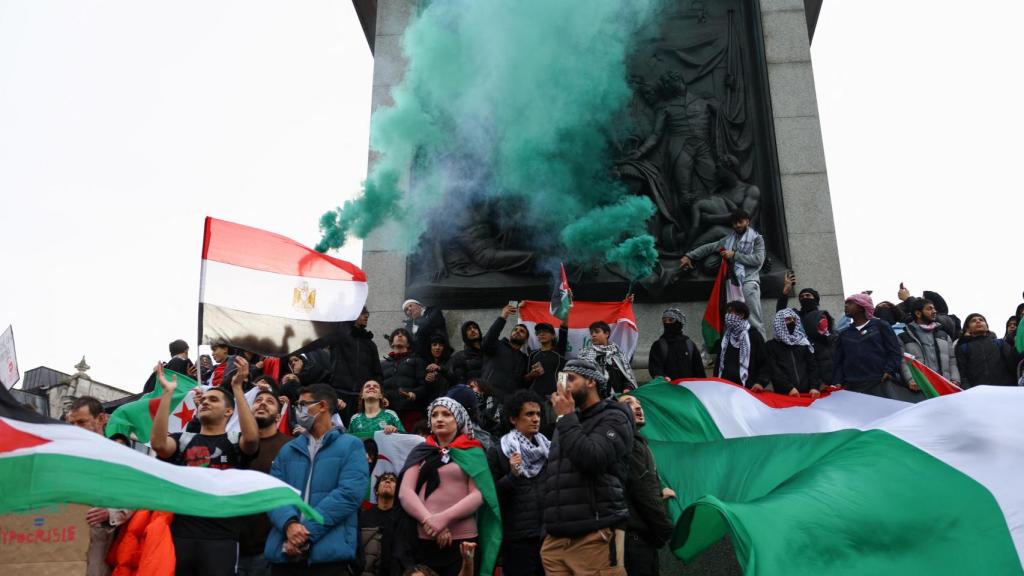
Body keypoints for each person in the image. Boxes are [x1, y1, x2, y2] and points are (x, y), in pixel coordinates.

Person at [150, 358, 260, 576]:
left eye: (214, 400)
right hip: (181, 534)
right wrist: (167, 394)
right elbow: (159, 444)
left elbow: (252, 439)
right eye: (203, 400)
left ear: (229, 412)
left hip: (222, 538)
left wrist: (237, 387)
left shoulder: (233, 440)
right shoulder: (183, 439)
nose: (205, 402)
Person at [541, 359, 633, 575]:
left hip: (593, 535)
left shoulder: (614, 417)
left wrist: (567, 417)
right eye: (562, 380)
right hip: (555, 540)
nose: (565, 386)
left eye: (571, 379)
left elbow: (592, 458)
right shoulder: (566, 422)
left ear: (591, 381)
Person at [266, 384, 369, 575]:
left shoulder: (351, 445)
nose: (298, 411)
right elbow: (274, 494)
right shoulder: (288, 449)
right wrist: (289, 524)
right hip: (284, 556)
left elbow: (349, 494)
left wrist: (304, 532)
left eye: (303, 405)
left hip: (329, 559)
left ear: (322, 406)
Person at [398, 398, 485, 576]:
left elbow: (478, 494)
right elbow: (405, 493)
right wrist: (430, 520)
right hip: (424, 539)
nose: (439, 419)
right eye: (435, 415)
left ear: (458, 419)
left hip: (463, 540)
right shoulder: (420, 451)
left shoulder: (473, 451)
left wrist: (442, 520)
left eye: (446, 414)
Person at [66, 396, 133, 576]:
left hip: (99, 540)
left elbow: (134, 496)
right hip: (63, 538)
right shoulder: (64, 456)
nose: (75, 429)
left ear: (102, 419)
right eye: (71, 423)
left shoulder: (120, 456)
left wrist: (109, 514)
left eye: (81, 422)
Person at [488, 391, 549, 576]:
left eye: (538, 414)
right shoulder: (499, 452)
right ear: (514, 419)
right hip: (517, 538)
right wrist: (512, 476)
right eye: (529, 414)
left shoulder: (548, 449)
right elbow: (491, 495)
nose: (535, 419)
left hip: (548, 534)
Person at [681, 209, 766, 335]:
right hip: (732, 285)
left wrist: (734, 255)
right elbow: (710, 247)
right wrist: (690, 256)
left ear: (747, 221)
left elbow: (758, 260)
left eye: (740, 222)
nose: (737, 225)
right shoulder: (728, 240)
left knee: (754, 320)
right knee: (731, 320)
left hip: (749, 283)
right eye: (734, 223)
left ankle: (761, 351)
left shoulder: (757, 239)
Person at [238, 391, 293, 576]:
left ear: (278, 416)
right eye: (258, 400)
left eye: (269, 401)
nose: (262, 404)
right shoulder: (233, 443)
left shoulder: (291, 447)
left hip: (271, 546)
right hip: (232, 545)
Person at [617, 394, 673, 576]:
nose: (638, 407)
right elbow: (643, 492)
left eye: (639, 403)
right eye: (628, 403)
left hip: (639, 541)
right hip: (634, 544)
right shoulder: (629, 444)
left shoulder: (636, 443)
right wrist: (667, 530)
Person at [833, 293, 904, 399]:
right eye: (845, 303)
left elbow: (895, 352)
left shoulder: (880, 326)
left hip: (879, 383)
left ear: (862, 307)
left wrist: (889, 370)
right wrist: (837, 381)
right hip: (852, 387)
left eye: (850, 303)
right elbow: (839, 361)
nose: (846, 306)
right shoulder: (844, 333)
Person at [776, 272, 836, 384]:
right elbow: (780, 314)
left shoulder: (824, 317)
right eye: (802, 297)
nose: (804, 298)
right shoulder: (796, 316)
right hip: (806, 363)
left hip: (826, 364)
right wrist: (786, 291)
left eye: (808, 296)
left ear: (815, 299)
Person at [899, 298, 960, 389]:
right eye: (929, 309)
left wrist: (955, 379)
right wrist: (910, 380)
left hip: (945, 387)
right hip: (921, 388)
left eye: (934, 308)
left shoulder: (944, 336)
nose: (934, 311)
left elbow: (952, 360)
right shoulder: (904, 337)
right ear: (918, 313)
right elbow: (903, 361)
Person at [715, 301, 769, 390]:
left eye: (730, 312)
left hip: (748, 388)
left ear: (741, 315)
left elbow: (765, 362)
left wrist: (760, 382)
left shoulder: (754, 336)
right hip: (725, 388)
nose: (727, 316)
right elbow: (719, 362)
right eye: (727, 313)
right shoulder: (726, 337)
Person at [766, 308, 821, 396]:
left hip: (808, 394)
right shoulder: (771, 345)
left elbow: (813, 367)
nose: (792, 322)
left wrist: (814, 387)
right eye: (788, 319)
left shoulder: (803, 343)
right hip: (784, 395)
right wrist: (789, 388)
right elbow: (774, 370)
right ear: (780, 323)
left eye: (794, 319)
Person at [481, 304, 530, 401]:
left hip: (507, 403)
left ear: (526, 339)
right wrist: (503, 317)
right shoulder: (497, 346)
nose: (517, 331)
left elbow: (522, 383)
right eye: (515, 329)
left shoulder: (524, 359)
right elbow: (487, 340)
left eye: (522, 331)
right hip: (487, 396)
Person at [382, 328, 428, 431]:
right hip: (389, 413)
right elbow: (379, 386)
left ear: (408, 344)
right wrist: (383, 397)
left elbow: (424, 385)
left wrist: (414, 394)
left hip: (411, 411)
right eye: (397, 334)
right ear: (391, 342)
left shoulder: (417, 361)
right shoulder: (383, 364)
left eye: (403, 335)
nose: (399, 336)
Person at [955, 313, 1019, 388]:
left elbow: (1013, 366)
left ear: (987, 327)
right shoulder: (963, 348)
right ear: (968, 329)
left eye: (981, 320)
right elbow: (963, 375)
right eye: (973, 321)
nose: (978, 321)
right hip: (977, 394)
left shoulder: (1000, 343)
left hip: (1005, 391)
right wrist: (968, 391)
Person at [579, 321, 637, 395]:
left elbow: (627, 375)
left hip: (619, 398)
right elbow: (583, 378)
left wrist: (628, 388)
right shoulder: (585, 354)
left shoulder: (618, 353)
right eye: (591, 333)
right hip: (597, 399)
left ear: (606, 334)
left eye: (597, 332)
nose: (593, 335)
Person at [647, 308, 705, 381]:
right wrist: (662, 377)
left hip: (688, 388)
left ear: (679, 322)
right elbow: (654, 368)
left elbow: (699, 370)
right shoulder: (658, 345)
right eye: (664, 320)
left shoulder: (689, 344)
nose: (667, 323)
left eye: (671, 320)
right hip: (668, 389)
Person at [360, 472, 400, 576]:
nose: (388, 481)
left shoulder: (401, 519)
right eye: (384, 479)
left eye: (392, 480)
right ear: (376, 491)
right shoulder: (363, 516)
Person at [525, 322, 569, 397]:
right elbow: (526, 378)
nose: (542, 334)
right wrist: (532, 374)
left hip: (554, 395)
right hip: (535, 395)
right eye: (539, 332)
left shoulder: (559, 351)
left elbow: (563, 330)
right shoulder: (533, 354)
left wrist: (562, 394)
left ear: (553, 335)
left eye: (545, 331)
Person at [447, 321, 485, 385]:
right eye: (468, 329)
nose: (472, 330)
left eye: (475, 328)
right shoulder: (460, 357)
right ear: (465, 335)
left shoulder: (488, 351)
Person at [426, 334, 454, 399]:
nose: (437, 347)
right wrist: (427, 380)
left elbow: (454, 378)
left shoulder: (451, 361)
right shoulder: (426, 364)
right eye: (434, 345)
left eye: (440, 345)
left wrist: (440, 369)